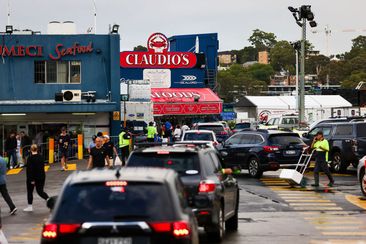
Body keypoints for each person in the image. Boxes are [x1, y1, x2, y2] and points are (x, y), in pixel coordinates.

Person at [23, 144, 49, 212]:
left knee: (30, 191)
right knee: (40, 191)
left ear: (31, 150)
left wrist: (31, 179)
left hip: (32, 178)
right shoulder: (41, 157)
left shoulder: (30, 158)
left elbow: (30, 170)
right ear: (37, 149)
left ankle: (30, 206)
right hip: (41, 177)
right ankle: (49, 200)